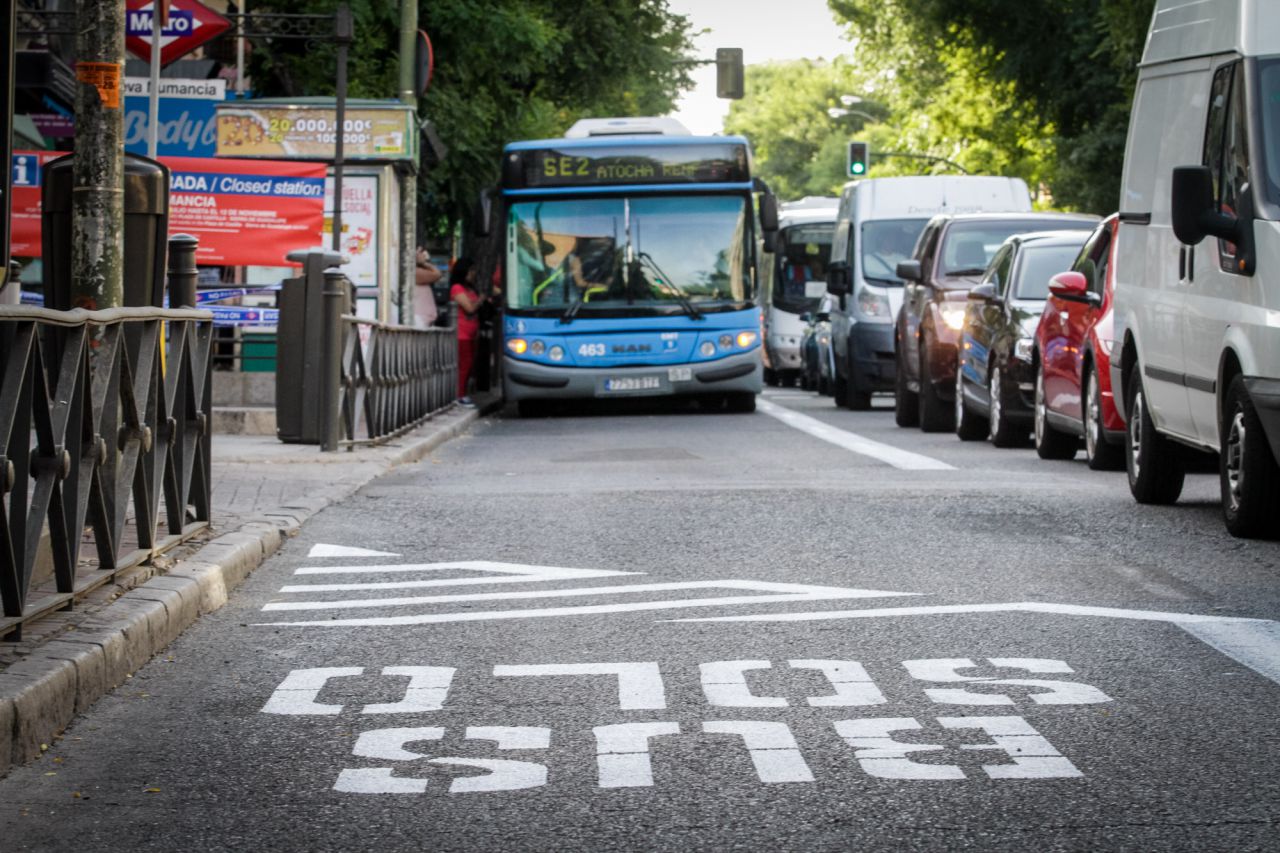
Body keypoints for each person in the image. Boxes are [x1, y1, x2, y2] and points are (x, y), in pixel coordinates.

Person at [450, 257, 490, 407]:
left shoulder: (470, 289)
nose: (473, 274)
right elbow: (470, 308)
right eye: (471, 270)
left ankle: (464, 392)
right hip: (462, 334)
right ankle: (459, 395)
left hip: (472, 333)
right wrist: (480, 300)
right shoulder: (457, 289)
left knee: (470, 364)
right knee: (464, 364)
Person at [412, 247, 441, 329]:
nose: (425, 255)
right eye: (421, 253)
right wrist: (423, 263)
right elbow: (437, 274)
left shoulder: (417, 270)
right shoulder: (413, 272)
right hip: (419, 320)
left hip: (422, 320)